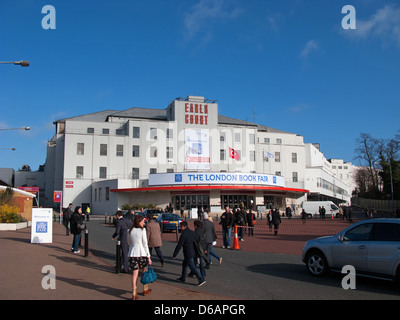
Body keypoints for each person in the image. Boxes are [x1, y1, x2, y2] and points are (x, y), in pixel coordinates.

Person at [173, 221, 206, 287]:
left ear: (183, 227)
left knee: (192, 267)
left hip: (188, 252)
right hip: (193, 251)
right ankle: (183, 278)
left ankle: (201, 279)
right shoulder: (192, 232)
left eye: (180, 227)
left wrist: (175, 254)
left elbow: (179, 245)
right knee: (185, 264)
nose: (180, 228)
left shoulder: (184, 234)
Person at [128, 215, 152, 300]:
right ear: (139, 222)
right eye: (142, 221)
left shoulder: (130, 231)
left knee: (135, 274)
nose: (144, 223)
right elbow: (145, 244)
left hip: (133, 253)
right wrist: (148, 256)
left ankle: (134, 292)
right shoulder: (142, 230)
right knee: (144, 271)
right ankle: (145, 289)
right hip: (141, 253)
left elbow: (129, 242)